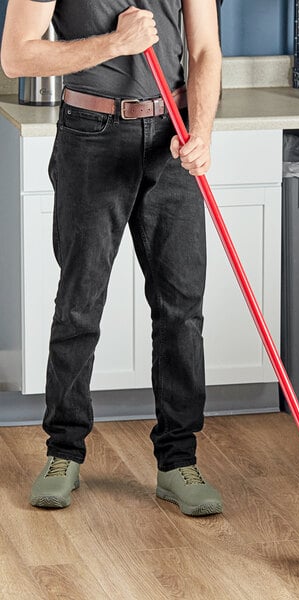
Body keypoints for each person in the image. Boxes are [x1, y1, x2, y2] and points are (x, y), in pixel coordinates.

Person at [0, 0, 224, 516]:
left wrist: (204, 133)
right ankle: (63, 453)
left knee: (181, 310)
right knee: (79, 303)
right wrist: (114, 45)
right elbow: (16, 56)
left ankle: (178, 461)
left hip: (173, 133)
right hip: (90, 135)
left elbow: (206, 50)